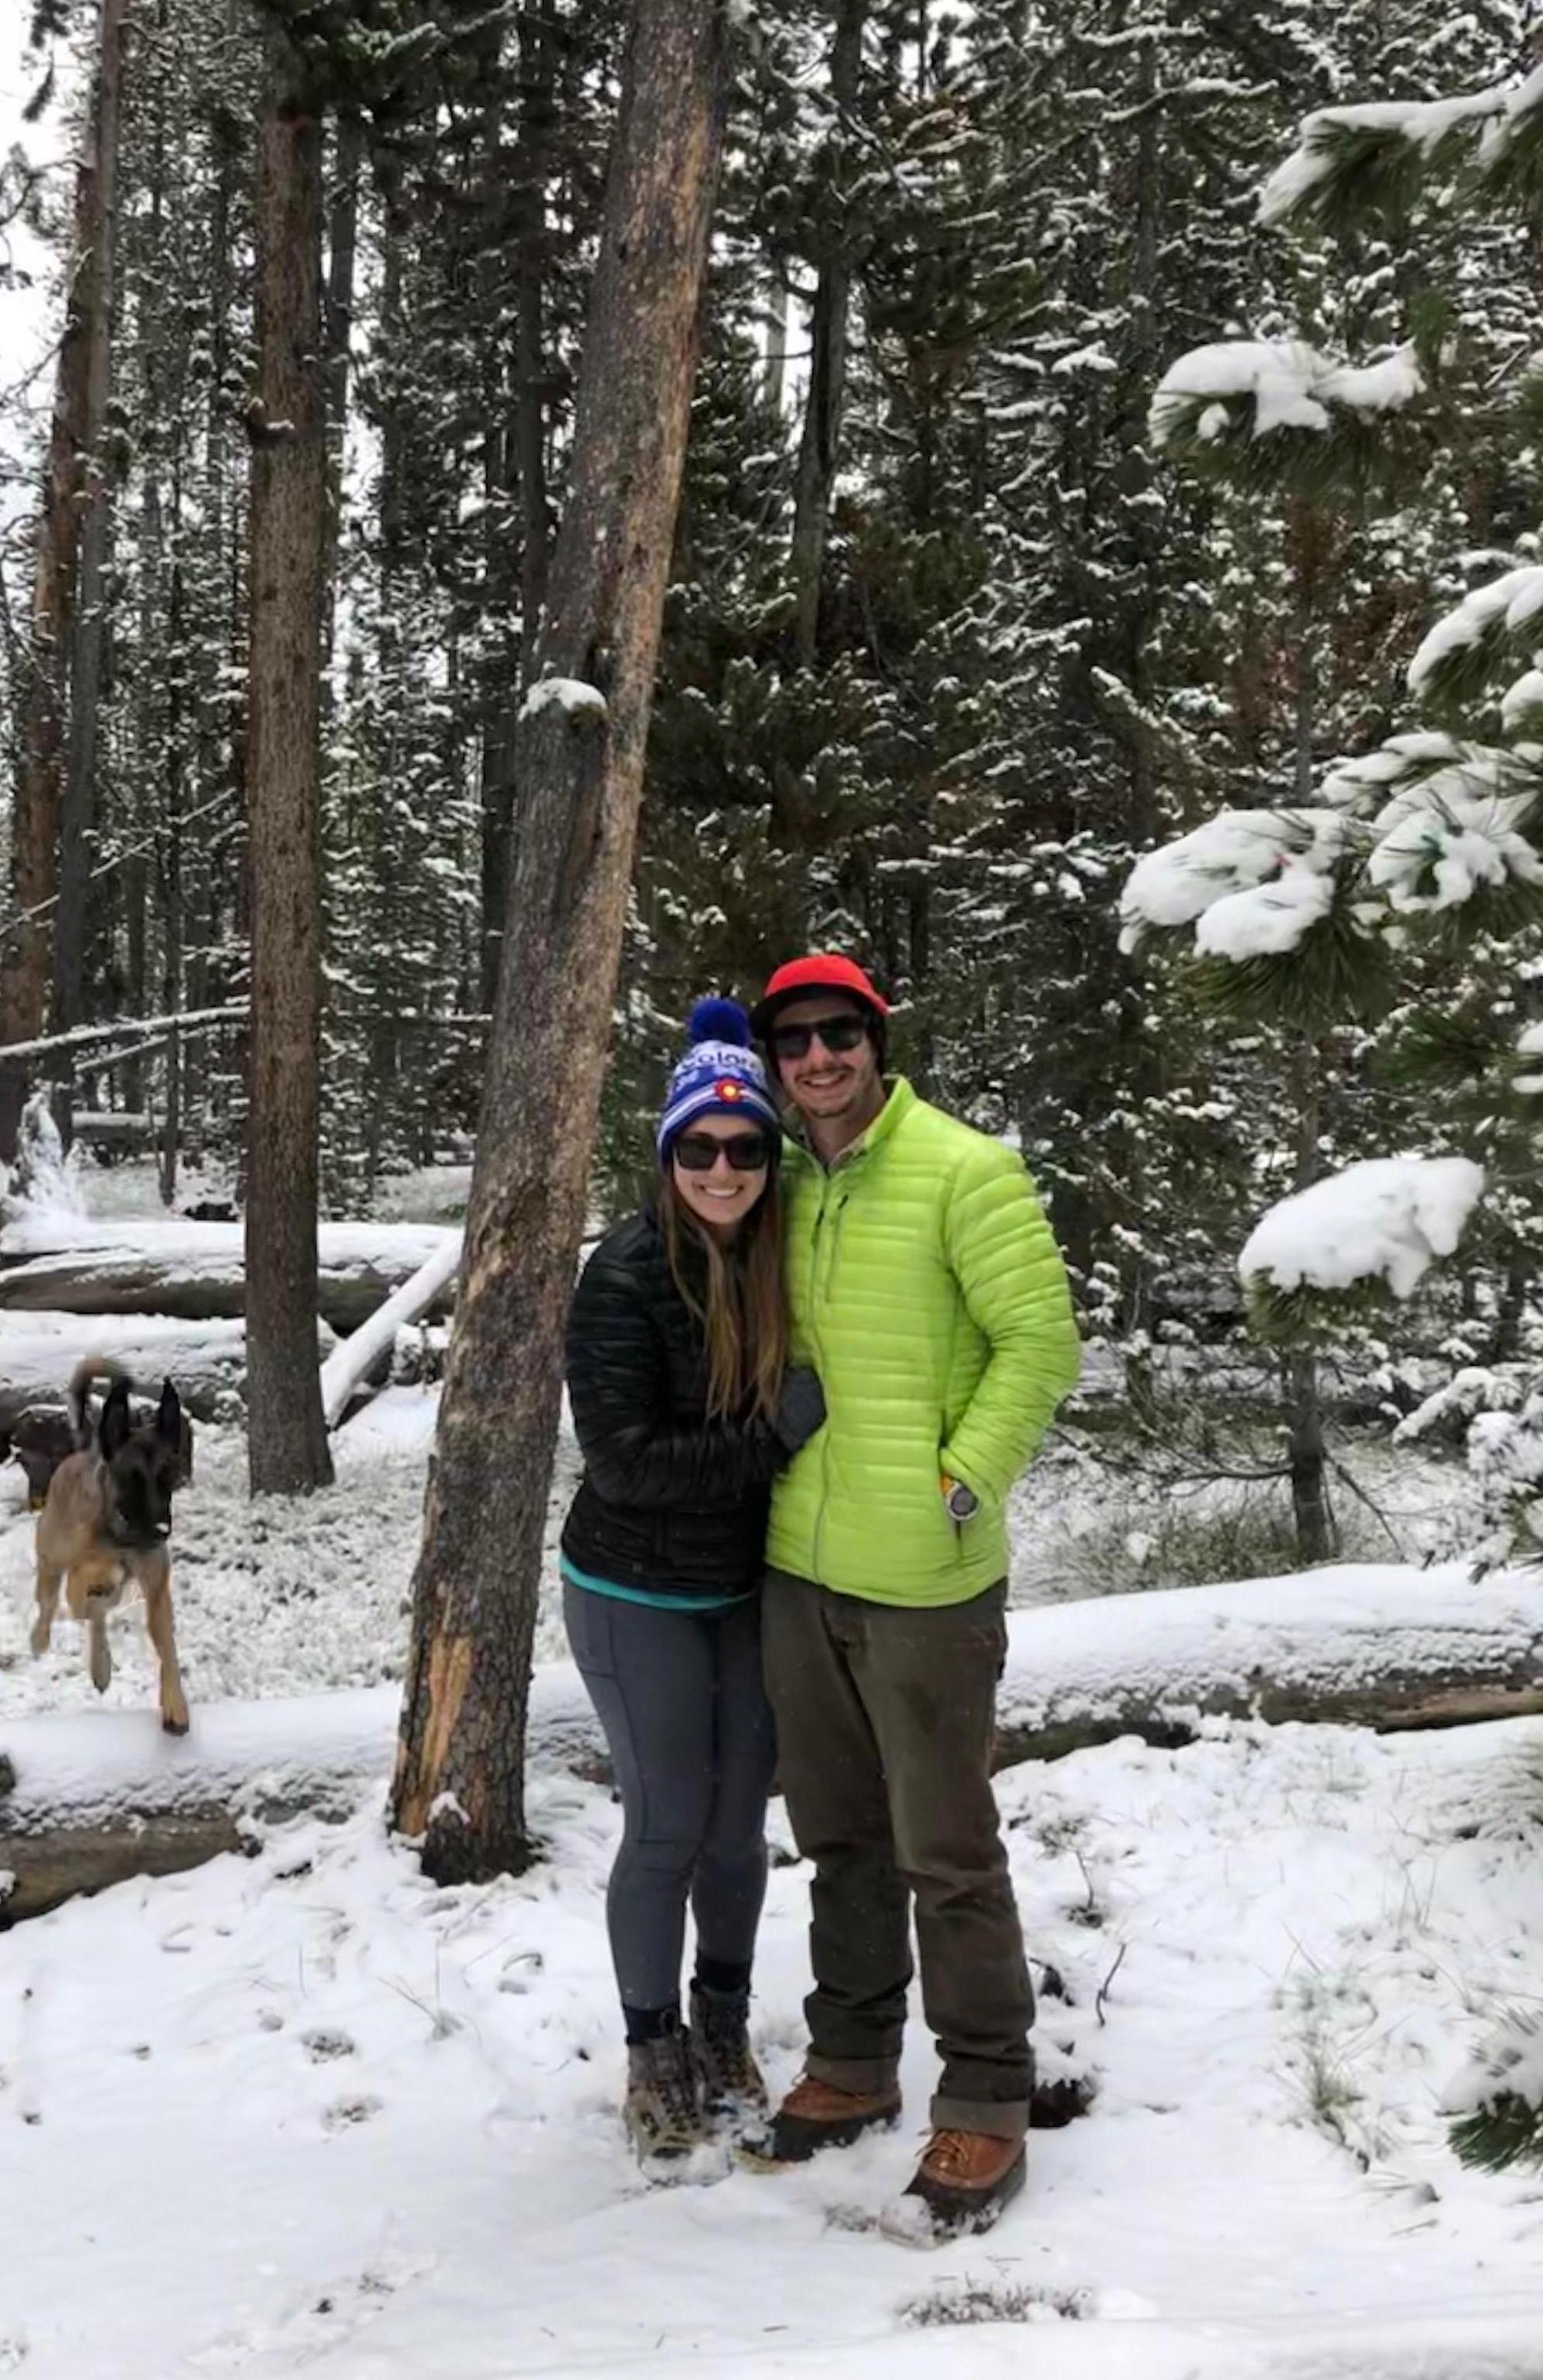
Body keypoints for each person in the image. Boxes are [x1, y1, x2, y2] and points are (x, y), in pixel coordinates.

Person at [738, 954, 1080, 2244]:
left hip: (928, 1581)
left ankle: (987, 2089)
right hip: (799, 1566)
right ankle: (855, 2057)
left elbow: (1040, 1341)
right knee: (837, 1838)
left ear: (875, 1043)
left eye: (839, 1034)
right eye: (795, 1041)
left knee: (944, 1848)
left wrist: (963, 1480)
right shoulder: (782, 1182)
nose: (817, 1058)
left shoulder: (960, 1167)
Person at [560, 996, 829, 2179]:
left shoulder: (773, 1256)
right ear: (666, 1153)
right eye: (698, 1146)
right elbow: (622, 1462)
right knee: (666, 1820)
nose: (723, 1167)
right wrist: (772, 1441)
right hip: (634, 1589)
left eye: (745, 1146)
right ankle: (650, 2044)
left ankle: (722, 2023)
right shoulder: (622, 1275)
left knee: (736, 1830)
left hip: (740, 1586)